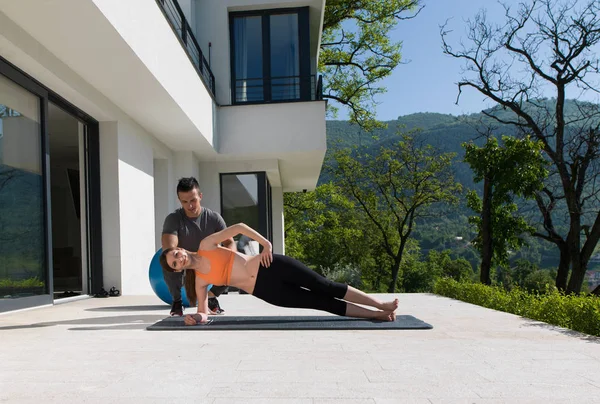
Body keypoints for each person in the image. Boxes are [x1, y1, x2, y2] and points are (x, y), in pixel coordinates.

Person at [159, 222, 399, 325]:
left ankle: (381, 304)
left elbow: (240, 227)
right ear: (178, 270)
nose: (179, 258)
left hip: (269, 265)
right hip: (266, 291)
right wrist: (196, 318)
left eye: (176, 253)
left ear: (180, 248)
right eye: (175, 262)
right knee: (322, 303)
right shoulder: (200, 282)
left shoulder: (206, 244)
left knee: (325, 286)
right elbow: (204, 312)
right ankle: (374, 315)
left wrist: (266, 244)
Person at [161, 177, 236, 317]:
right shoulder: (173, 218)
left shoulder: (214, 218)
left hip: (208, 261)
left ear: (200, 196)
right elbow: (169, 248)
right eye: (185, 202)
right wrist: (188, 260)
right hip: (186, 261)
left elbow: (229, 242)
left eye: (193, 200)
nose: (190, 205)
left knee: (231, 264)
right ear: (179, 201)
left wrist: (228, 259)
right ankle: (177, 302)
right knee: (169, 264)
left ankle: (212, 297)